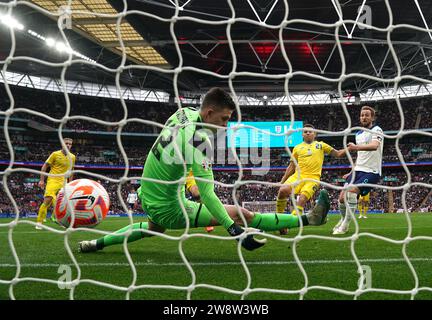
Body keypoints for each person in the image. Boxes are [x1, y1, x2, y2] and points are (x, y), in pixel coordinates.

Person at [79, 88, 330, 253]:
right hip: (170, 208)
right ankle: (309, 219)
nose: (226, 125)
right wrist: (234, 231)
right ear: (209, 113)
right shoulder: (199, 141)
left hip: (148, 194)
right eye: (224, 119)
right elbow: (208, 196)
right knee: (242, 214)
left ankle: (95, 243)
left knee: (151, 228)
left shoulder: (182, 113)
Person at [276, 124, 346, 234]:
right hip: (298, 176)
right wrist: (282, 181)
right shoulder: (297, 148)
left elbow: (337, 154)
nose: (308, 133)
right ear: (302, 135)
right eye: (305, 132)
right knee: (282, 190)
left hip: (313, 178)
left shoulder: (321, 145)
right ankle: (279, 221)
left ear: (315, 134)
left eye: (310, 131)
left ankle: (287, 225)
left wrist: (350, 148)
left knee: (302, 199)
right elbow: (291, 167)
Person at [332, 106, 383, 235]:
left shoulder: (377, 130)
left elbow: (374, 146)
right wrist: (351, 171)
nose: (364, 117)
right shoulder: (358, 134)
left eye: (367, 115)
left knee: (351, 192)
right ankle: (343, 219)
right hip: (357, 170)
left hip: (371, 171)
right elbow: (360, 155)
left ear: (372, 117)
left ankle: (345, 225)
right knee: (342, 198)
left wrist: (355, 147)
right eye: (362, 115)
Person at [36, 138, 76, 229]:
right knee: (47, 200)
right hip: (53, 180)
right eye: (66, 143)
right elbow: (45, 166)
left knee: (64, 204)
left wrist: (71, 184)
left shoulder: (72, 157)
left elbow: (71, 171)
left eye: (70, 144)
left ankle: (61, 221)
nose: (68, 145)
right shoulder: (55, 154)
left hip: (64, 182)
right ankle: (39, 222)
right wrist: (42, 180)